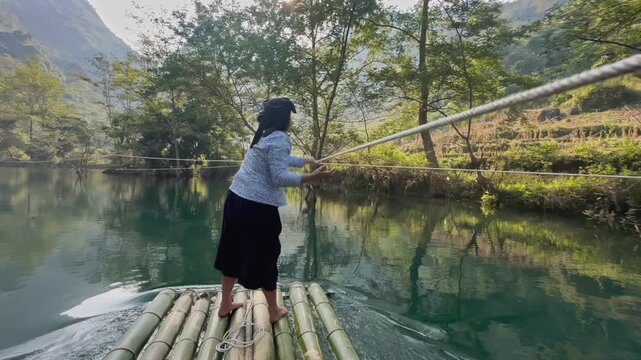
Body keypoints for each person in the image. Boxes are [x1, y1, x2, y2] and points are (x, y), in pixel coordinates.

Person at [214, 97, 335, 323]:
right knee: (266, 254)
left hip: (236, 198)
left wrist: (304, 160)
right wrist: (313, 178)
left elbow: (277, 159)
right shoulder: (280, 138)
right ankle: (272, 311)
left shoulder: (265, 135)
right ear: (286, 119)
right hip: (257, 207)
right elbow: (278, 176)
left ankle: (225, 304)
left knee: (232, 250)